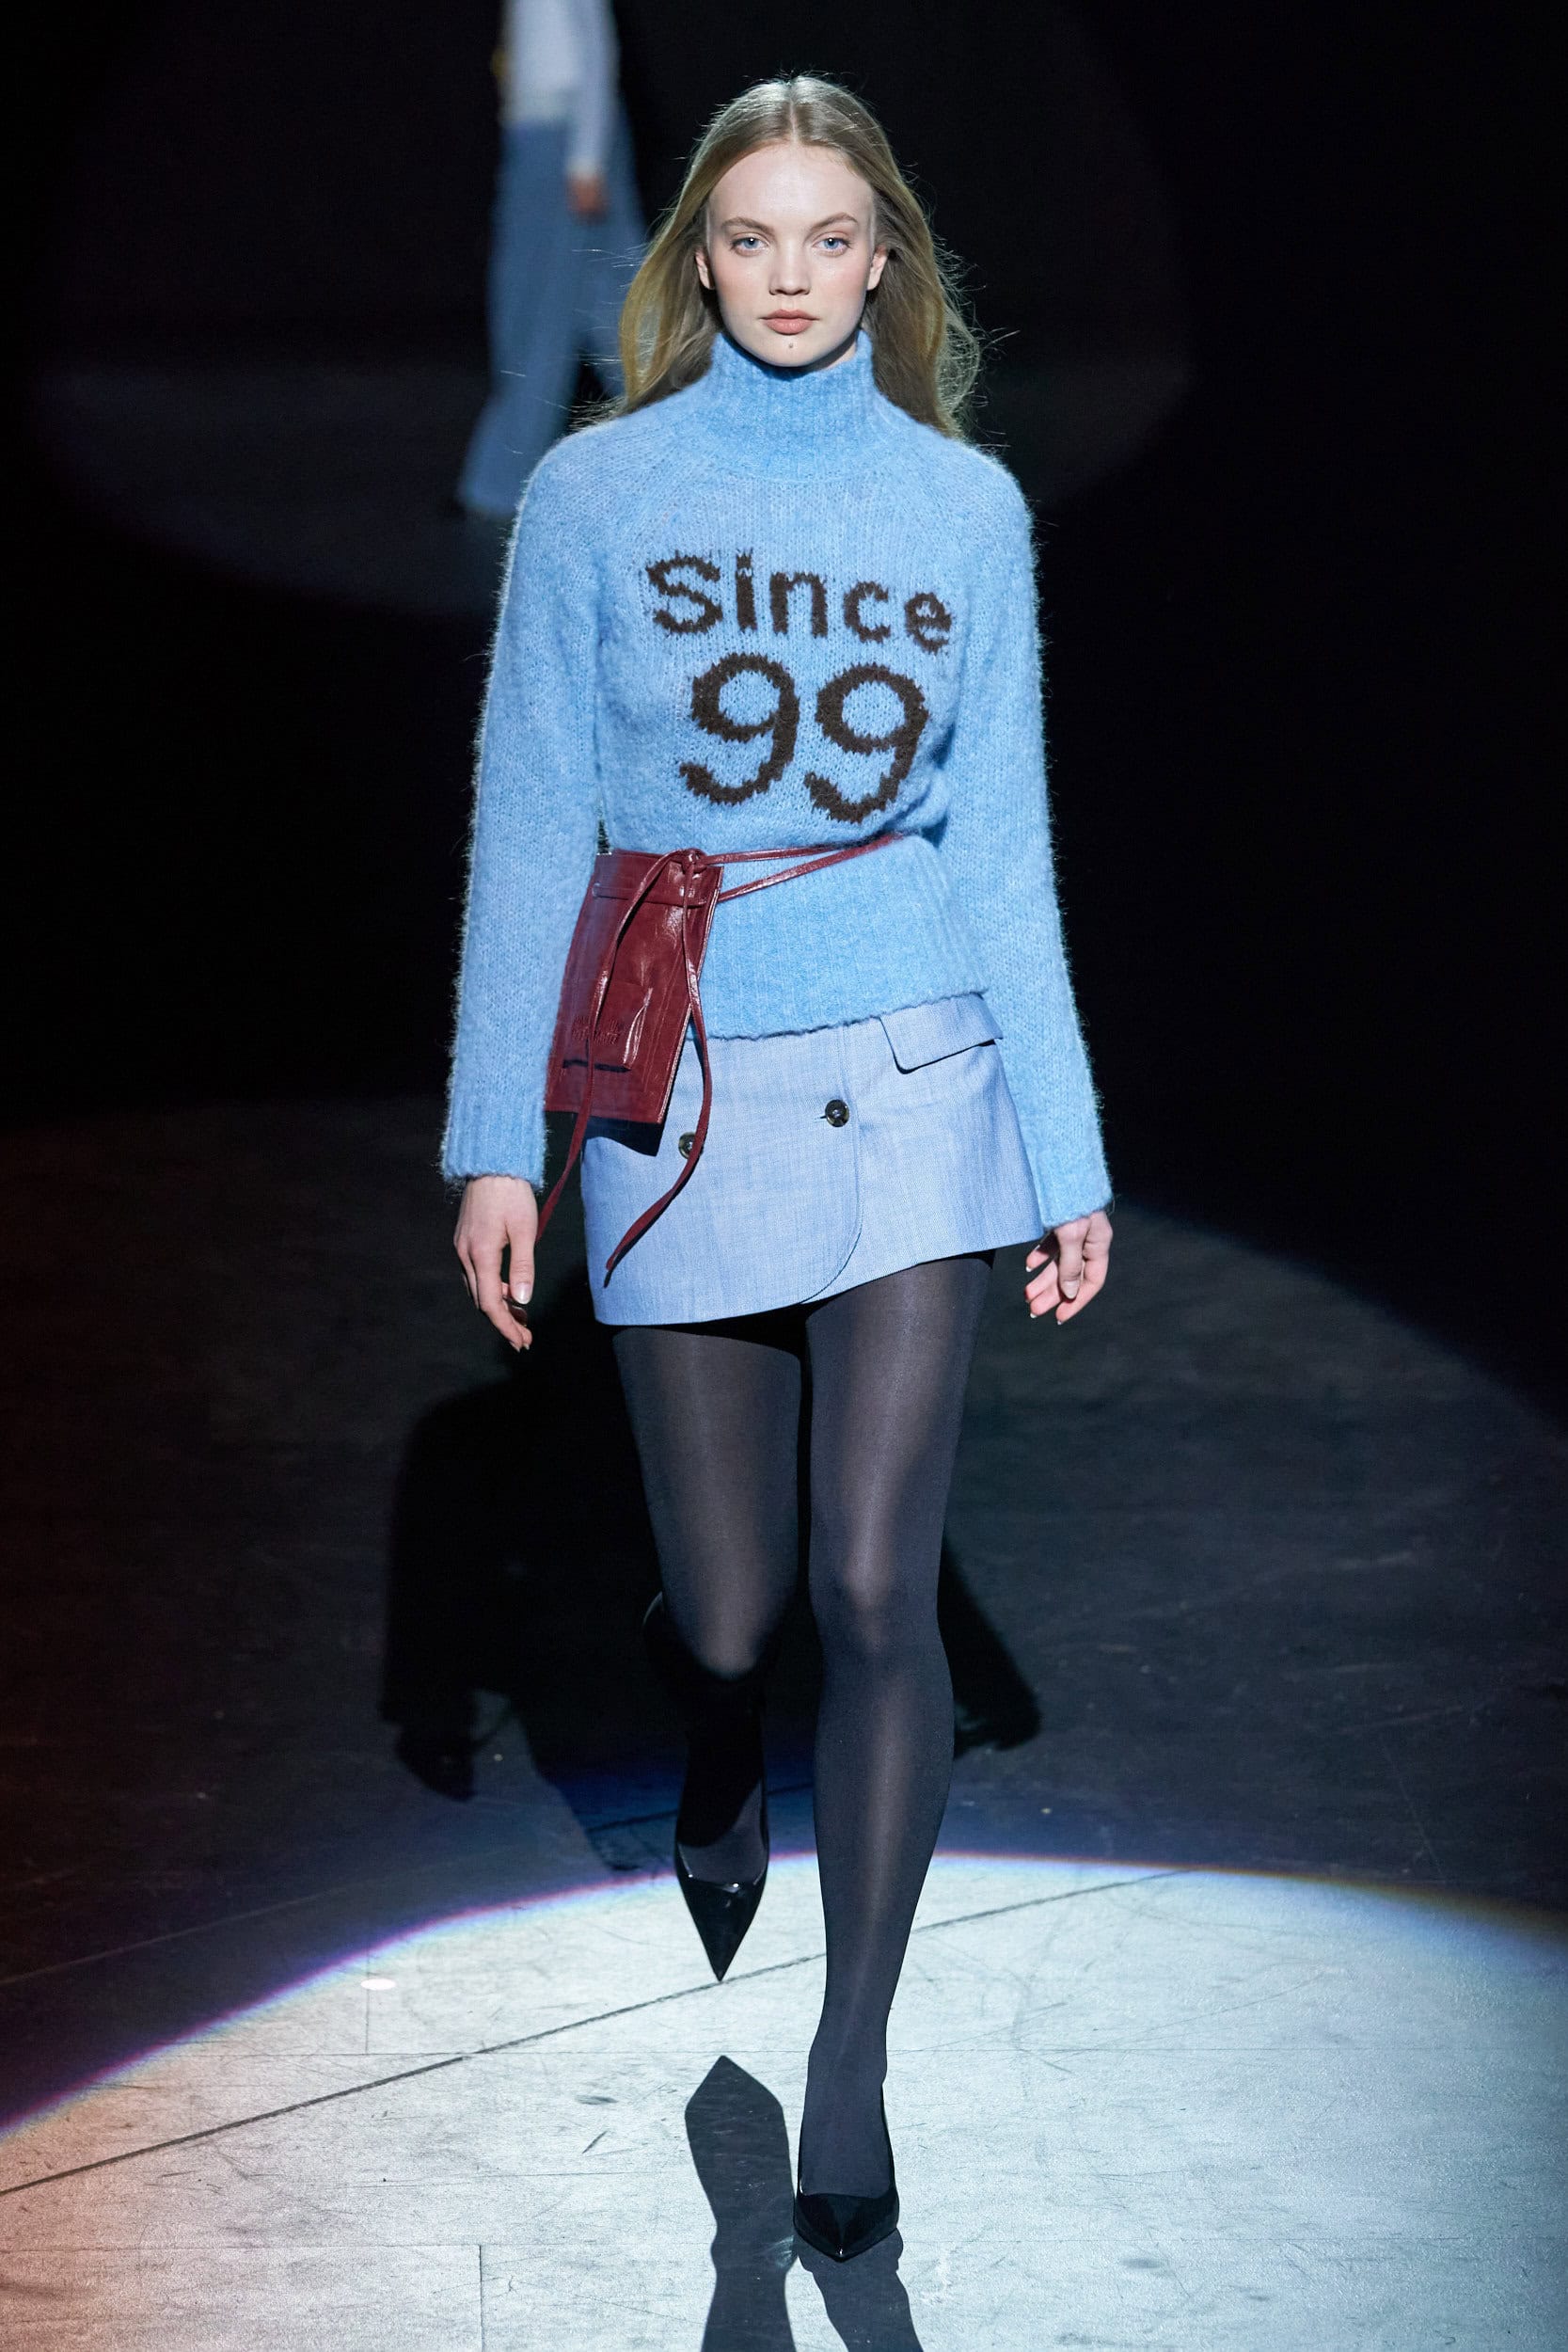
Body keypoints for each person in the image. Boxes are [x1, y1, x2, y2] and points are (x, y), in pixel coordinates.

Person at [444, 75, 1114, 2262]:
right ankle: (715, 1721)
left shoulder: (960, 511)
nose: (794, 273)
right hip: (685, 1088)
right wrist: (498, 1143)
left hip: (918, 1078)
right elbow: (531, 824)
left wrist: (1063, 1151)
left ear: (883, 256)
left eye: (833, 236)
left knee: (870, 1590)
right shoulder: (594, 492)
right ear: (698, 260)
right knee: (730, 1608)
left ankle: (850, 2060)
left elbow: (1000, 847)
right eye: (752, 237)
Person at [457, 0, 645, 518]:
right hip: (544, 135)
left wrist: (586, 157)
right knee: (607, 305)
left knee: (537, 311)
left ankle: (499, 482)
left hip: (561, 139)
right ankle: (687, 445)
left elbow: (595, 48)